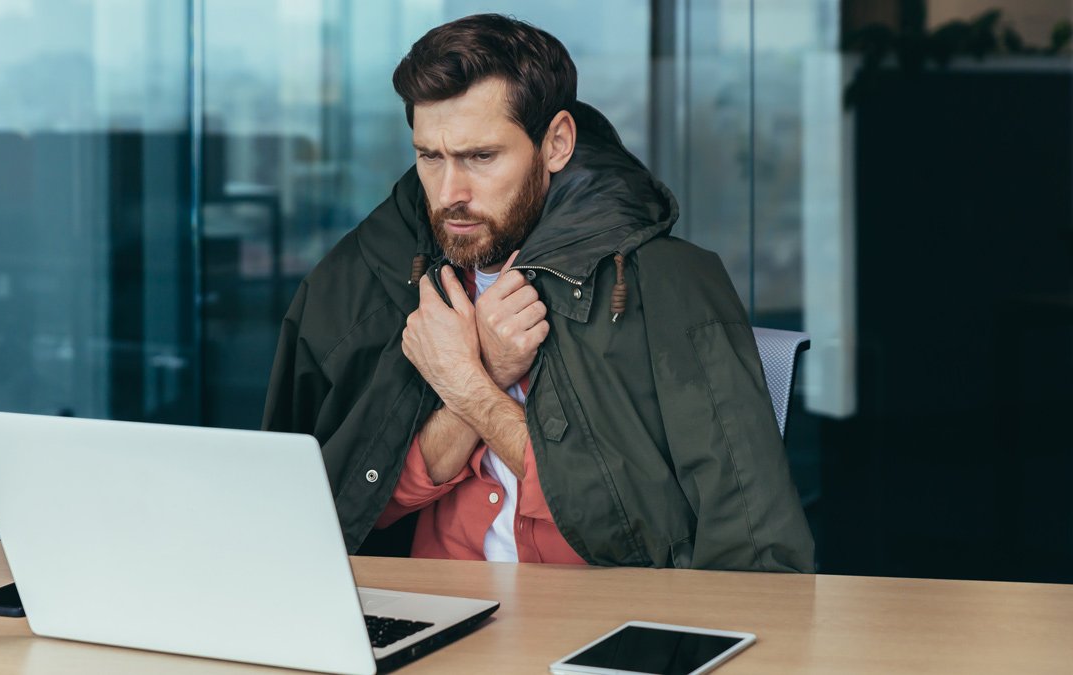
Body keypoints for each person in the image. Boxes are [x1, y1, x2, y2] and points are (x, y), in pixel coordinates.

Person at [262, 14, 814, 572]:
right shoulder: (366, 280)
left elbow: (683, 540)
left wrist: (469, 384)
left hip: (596, 627)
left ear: (556, 143)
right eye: (430, 156)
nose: (450, 192)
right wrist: (482, 377)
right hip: (431, 619)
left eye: (481, 157)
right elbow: (335, 516)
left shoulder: (670, 282)